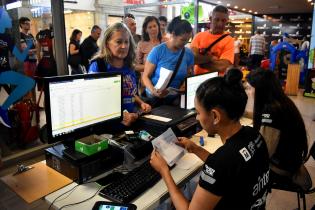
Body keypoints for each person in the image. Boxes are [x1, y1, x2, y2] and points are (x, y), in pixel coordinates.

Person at [150, 69, 270, 210]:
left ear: (215, 116)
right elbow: (226, 171)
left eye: (199, 112)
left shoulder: (223, 160)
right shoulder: (254, 135)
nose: (197, 118)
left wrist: (164, 171)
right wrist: (194, 148)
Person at [245, 68, 308, 185]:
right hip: (291, 159)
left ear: (261, 89)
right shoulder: (280, 101)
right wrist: (242, 113)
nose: (249, 92)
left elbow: (264, 153)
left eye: (250, 88)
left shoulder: (271, 111)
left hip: (281, 167)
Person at [88, 22, 151, 126]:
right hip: (108, 129)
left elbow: (129, 93)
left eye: (127, 42)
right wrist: (122, 116)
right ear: (107, 43)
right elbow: (93, 101)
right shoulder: (98, 66)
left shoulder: (129, 65)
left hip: (131, 124)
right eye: (119, 42)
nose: (124, 46)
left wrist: (141, 103)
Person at [142, 16, 194, 106]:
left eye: (188, 40)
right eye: (182, 39)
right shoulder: (158, 51)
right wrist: (154, 91)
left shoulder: (188, 54)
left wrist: (185, 84)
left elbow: (189, 74)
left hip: (174, 99)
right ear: (173, 34)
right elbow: (145, 77)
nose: (185, 43)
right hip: (155, 99)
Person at [190, 5, 234, 76]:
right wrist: (210, 58)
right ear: (210, 19)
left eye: (223, 20)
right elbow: (192, 58)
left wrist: (199, 61)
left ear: (227, 21)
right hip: (197, 79)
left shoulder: (229, 40)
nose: (220, 24)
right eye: (217, 19)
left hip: (216, 82)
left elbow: (222, 67)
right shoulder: (199, 36)